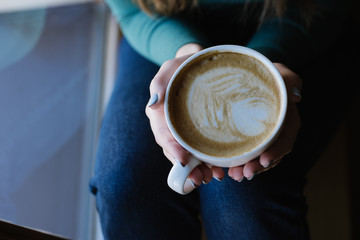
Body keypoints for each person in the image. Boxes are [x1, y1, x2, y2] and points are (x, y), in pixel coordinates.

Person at [89, 0, 357, 239]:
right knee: (124, 187)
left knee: (244, 196)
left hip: (298, 23)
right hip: (162, 25)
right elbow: (132, 8)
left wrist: (267, 63)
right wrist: (184, 55)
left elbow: (327, 6)